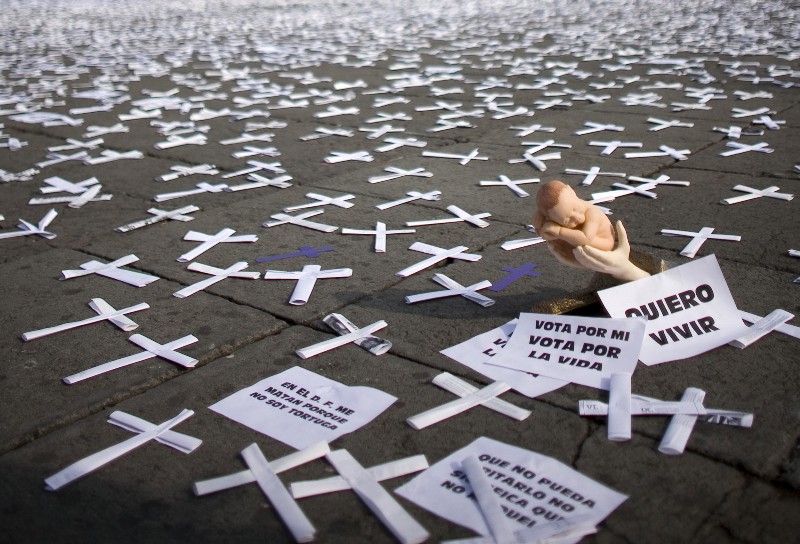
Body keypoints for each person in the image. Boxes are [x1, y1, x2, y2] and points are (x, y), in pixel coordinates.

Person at [533, 180, 651, 282]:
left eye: (575, 208)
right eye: (567, 220)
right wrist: (539, 222)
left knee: (578, 239)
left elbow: (585, 238)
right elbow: (543, 231)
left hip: (602, 242)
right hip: (578, 243)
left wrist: (559, 231)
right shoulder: (562, 211)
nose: (577, 217)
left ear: (572, 191)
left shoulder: (592, 212)